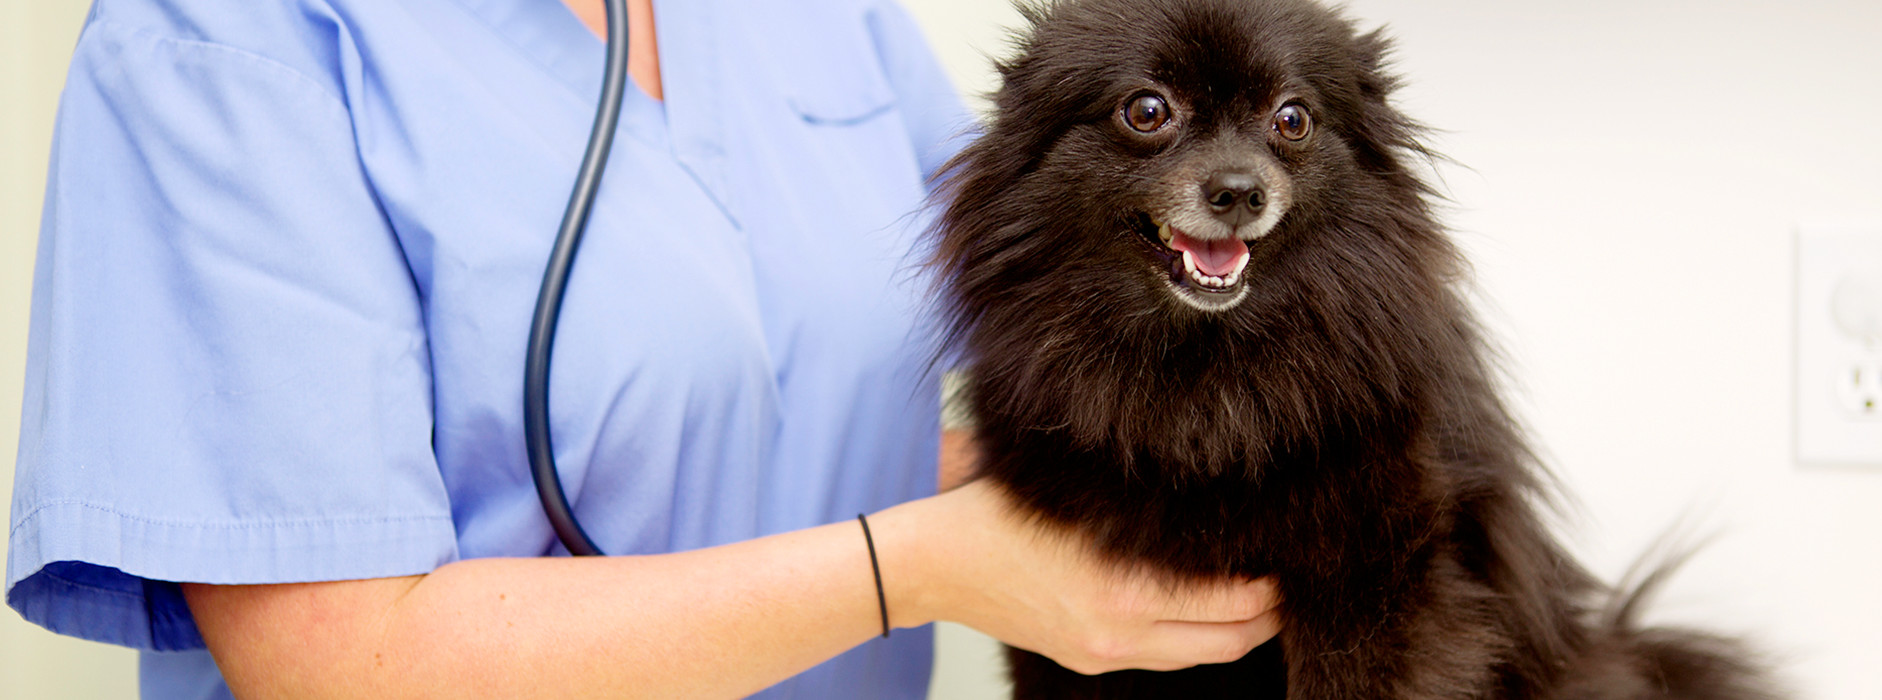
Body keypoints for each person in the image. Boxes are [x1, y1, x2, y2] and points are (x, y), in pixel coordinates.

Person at [5, 0, 1281, 697]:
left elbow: (843, 400)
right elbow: (343, 660)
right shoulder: (224, 48)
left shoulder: (816, 20)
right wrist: (924, 570)